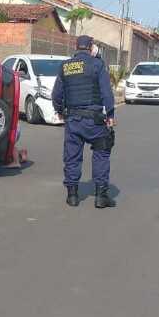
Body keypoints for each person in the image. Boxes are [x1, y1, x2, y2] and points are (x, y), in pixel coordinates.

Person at [51, 34, 116, 208]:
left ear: (76, 46)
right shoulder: (97, 64)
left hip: (73, 120)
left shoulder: (65, 66)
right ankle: (101, 196)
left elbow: (56, 94)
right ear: (91, 47)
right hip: (95, 120)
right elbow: (107, 93)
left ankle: (72, 196)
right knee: (101, 153)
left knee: (72, 156)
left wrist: (59, 111)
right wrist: (110, 115)